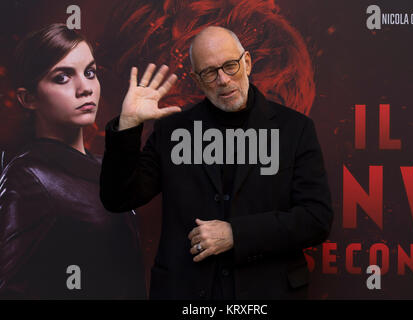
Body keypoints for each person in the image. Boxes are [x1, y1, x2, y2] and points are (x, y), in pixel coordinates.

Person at [100, 26, 333, 299]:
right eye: (210, 72)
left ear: (247, 62)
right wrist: (127, 126)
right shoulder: (173, 130)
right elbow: (118, 198)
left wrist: (236, 234)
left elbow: (316, 219)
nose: (223, 80)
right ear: (197, 79)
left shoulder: (295, 129)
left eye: (230, 66)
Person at [0, 24, 146, 299]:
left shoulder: (104, 166)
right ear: (28, 98)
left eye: (89, 73)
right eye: (62, 77)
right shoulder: (29, 176)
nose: (85, 88)